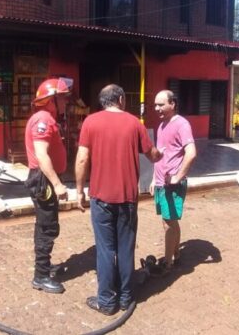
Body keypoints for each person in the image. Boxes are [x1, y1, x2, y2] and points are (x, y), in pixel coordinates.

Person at [75, 84, 161, 315]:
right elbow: (152, 155)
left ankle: (106, 300)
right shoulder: (135, 123)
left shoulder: (90, 122)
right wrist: (161, 153)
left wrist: (80, 190)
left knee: (105, 249)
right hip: (127, 199)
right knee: (125, 248)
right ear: (121, 99)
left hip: (100, 198)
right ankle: (125, 297)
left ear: (103, 101)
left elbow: (82, 159)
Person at [24, 78, 70, 294]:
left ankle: (44, 266)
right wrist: (58, 184)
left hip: (43, 179)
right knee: (47, 227)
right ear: (51, 99)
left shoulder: (47, 118)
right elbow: (42, 156)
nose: (66, 101)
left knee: (44, 224)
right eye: (62, 97)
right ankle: (41, 276)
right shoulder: (43, 120)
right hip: (44, 180)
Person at [150, 90, 196, 273]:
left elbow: (191, 153)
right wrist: (154, 178)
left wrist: (178, 176)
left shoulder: (182, 124)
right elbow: (161, 155)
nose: (156, 108)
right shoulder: (162, 125)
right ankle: (176, 254)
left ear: (173, 104)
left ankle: (167, 262)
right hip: (161, 183)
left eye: (161, 104)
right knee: (170, 221)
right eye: (155, 104)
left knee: (168, 222)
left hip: (173, 185)